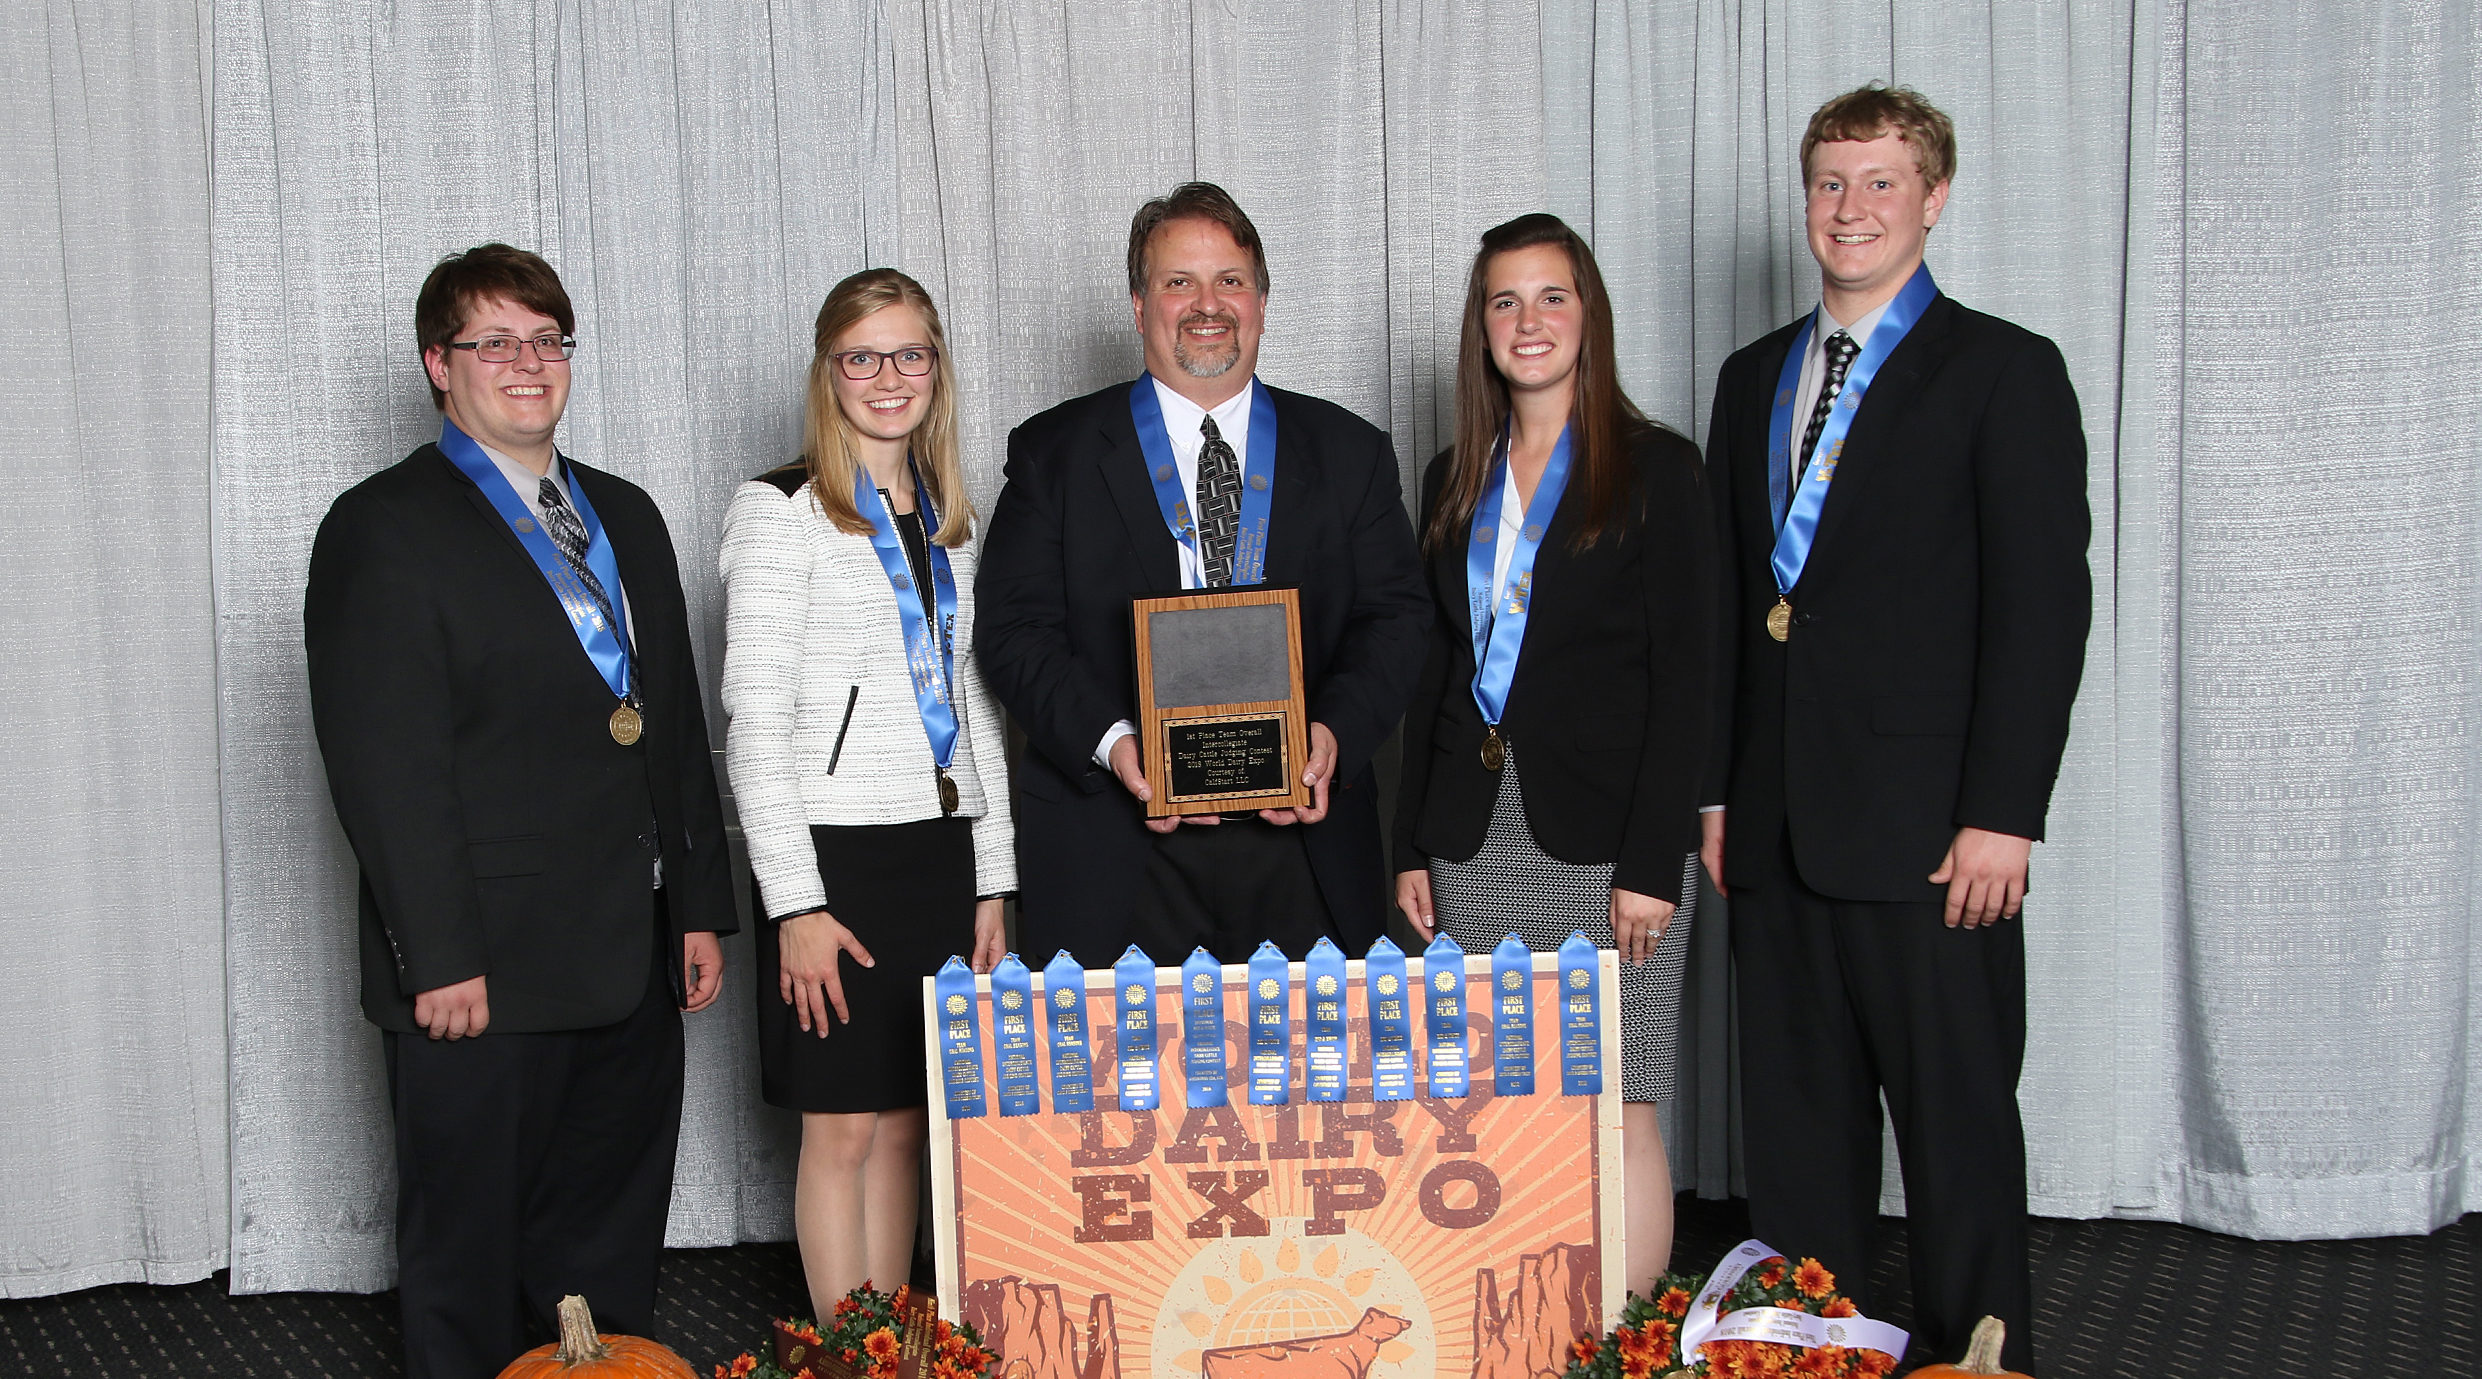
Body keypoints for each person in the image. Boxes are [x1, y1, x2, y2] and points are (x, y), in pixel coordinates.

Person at [1700, 87, 2089, 1372]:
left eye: (1879, 182)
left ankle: (1979, 1359)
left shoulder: (2003, 370)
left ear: (1933, 197)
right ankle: (1811, 1354)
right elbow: (1724, 607)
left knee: (1956, 1133)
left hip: (1935, 841)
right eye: (1828, 182)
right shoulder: (1751, 376)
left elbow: (2041, 612)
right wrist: (1713, 796)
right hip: (1772, 832)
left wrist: (2004, 813)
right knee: (1799, 1146)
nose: (1849, 207)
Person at [304, 243, 736, 1378]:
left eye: (546, 338)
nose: (527, 361)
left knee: (605, 1239)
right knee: (470, 1253)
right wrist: (436, 955)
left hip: (631, 955)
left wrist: (696, 902)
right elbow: (384, 765)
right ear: (439, 366)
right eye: (494, 340)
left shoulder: (627, 516)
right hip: (479, 974)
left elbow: (671, 723)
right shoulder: (382, 527)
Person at [976, 182, 1429, 967]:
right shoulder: (1054, 453)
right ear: (1138, 302)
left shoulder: (1350, 452)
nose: (1206, 303)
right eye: (1178, 281)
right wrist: (1116, 745)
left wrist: (1329, 736)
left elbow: (1398, 619)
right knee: (1122, 1094)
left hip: (1305, 848)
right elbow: (1014, 632)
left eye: (1231, 280)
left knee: (1308, 1089)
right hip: (1115, 846)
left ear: (1261, 300)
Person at [1390, 214, 1714, 1296]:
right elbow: (1434, 676)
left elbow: (1690, 682)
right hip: (1473, 842)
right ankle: (1526, 1328)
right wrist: (1408, 846)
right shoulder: (1452, 472)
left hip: (1610, 845)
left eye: (1551, 296)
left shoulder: (1658, 467)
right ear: (1480, 327)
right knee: (1506, 1097)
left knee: (1615, 1096)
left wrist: (1652, 865)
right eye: (1504, 300)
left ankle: (1616, 1340)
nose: (1528, 321)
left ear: (1590, 314)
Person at [718, 269, 1012, 1319]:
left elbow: (975, 701)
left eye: (910, 354)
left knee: (903, 1119)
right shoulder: (778, 508)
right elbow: (752, 722)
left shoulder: (950, 517)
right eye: (862, 356)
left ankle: (889, 1341)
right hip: (833, 853)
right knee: (840, 1123)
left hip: (936, 850)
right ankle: (846, 1351)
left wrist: (994, 875)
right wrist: (793, 904)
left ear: (936, 368)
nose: (888, 377)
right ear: (827, 371)